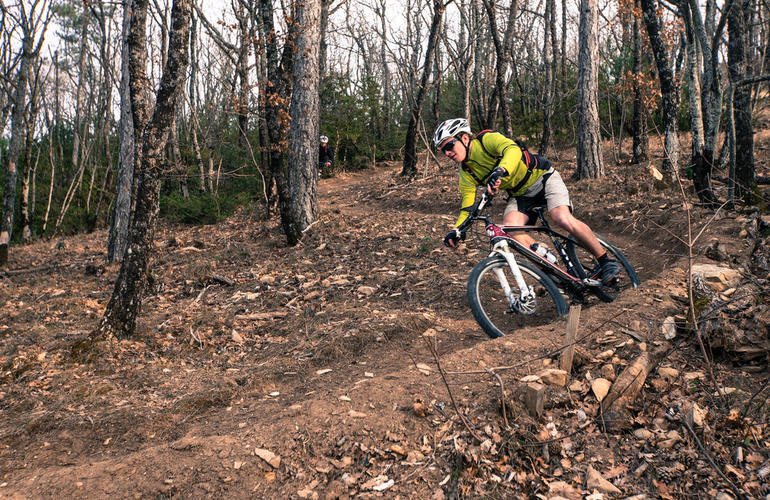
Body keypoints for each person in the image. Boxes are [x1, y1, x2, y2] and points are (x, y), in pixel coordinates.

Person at [434, 118, 620, 284]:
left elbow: (512, 150)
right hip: (521, 194)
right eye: (443, 151)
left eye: (449, 146)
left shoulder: (485, 140)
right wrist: (457, 229)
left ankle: (606, 261)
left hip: (543, 177)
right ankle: (551, 267)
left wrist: (501, 170)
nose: (447, 153)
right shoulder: (466, 171)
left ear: (465, 138)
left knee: (561, 217)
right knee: (509, 228)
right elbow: (467, 206)